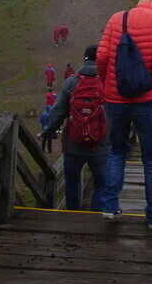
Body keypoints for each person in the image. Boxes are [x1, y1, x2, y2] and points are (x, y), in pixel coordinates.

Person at [96, 0, 152, 230]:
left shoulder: (117, 18)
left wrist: (107, 83)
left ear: (141, 0)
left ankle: (109, 207)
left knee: (117, 151)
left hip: (115, 100)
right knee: (151, 158)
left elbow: (101, 57)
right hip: (145, 100)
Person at [38, 45, 109, 211]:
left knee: (72, 182)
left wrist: (47, 131)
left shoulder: (71, 82)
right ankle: (95, 220)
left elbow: (58, 111)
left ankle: (73, 218)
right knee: (101, 184)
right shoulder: (107, 82)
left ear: (84, 59)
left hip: (73, 143)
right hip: (99, 144)